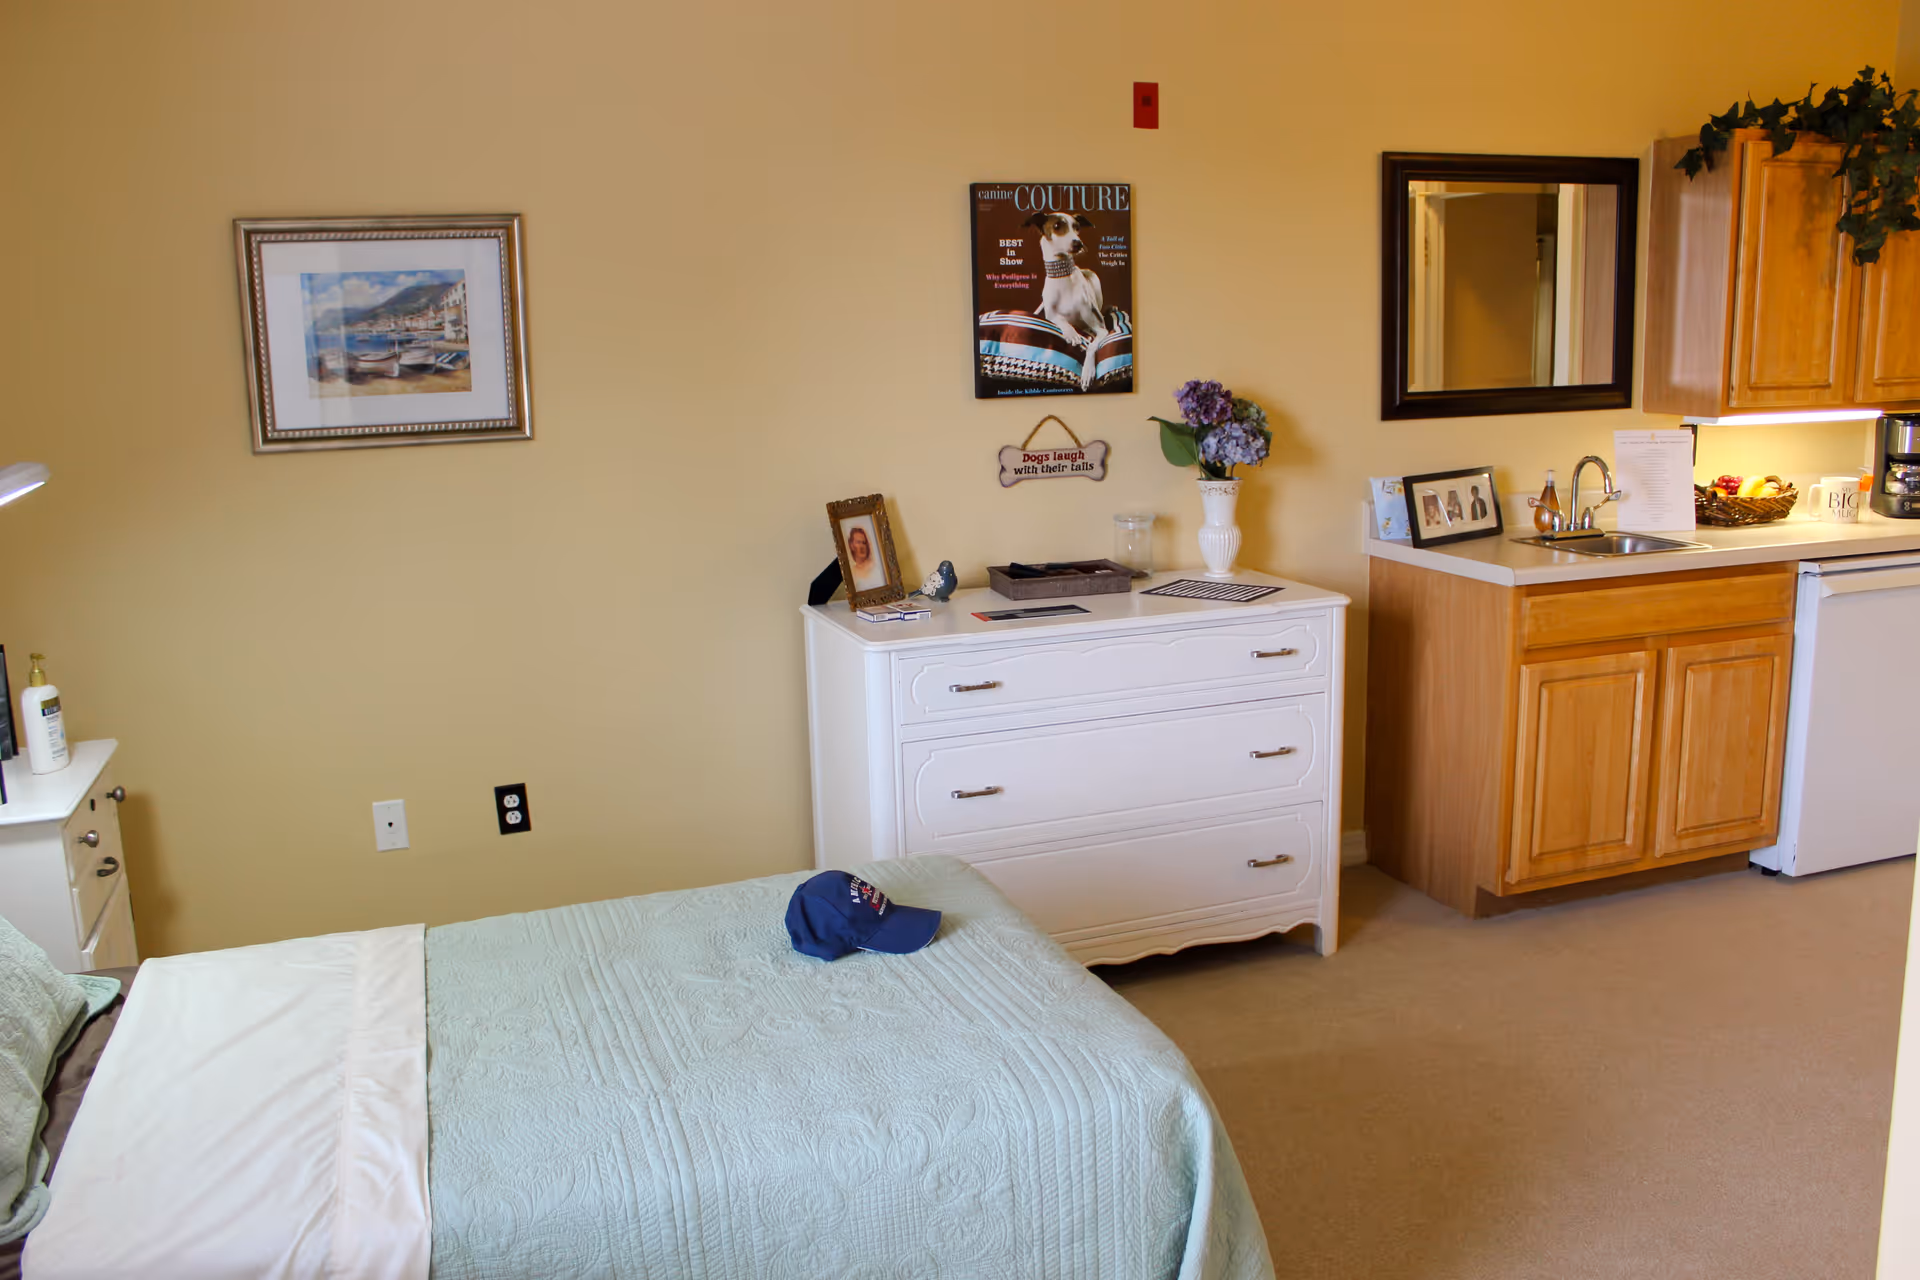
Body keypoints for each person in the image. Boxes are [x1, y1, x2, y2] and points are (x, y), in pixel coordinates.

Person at [845, 522, 884, 591]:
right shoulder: (851, 572)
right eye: (858, 542)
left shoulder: (875, 567)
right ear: (851, 545)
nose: (862, 546)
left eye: (864, 543)